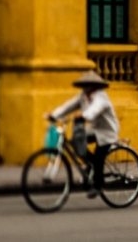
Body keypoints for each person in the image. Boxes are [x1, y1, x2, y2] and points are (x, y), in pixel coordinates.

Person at [46, 70, 120, 198]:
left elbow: (95, 109)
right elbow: (68, 106)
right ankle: (91, 164)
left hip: (107, 131)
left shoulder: (101, 97)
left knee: (99, 155)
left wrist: (83, 115)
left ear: (94, 86)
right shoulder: (83, 96)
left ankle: (98, 186)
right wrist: (54, 115)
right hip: (94, 129)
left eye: (88, 85)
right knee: (76, 141)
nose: (86, 88)